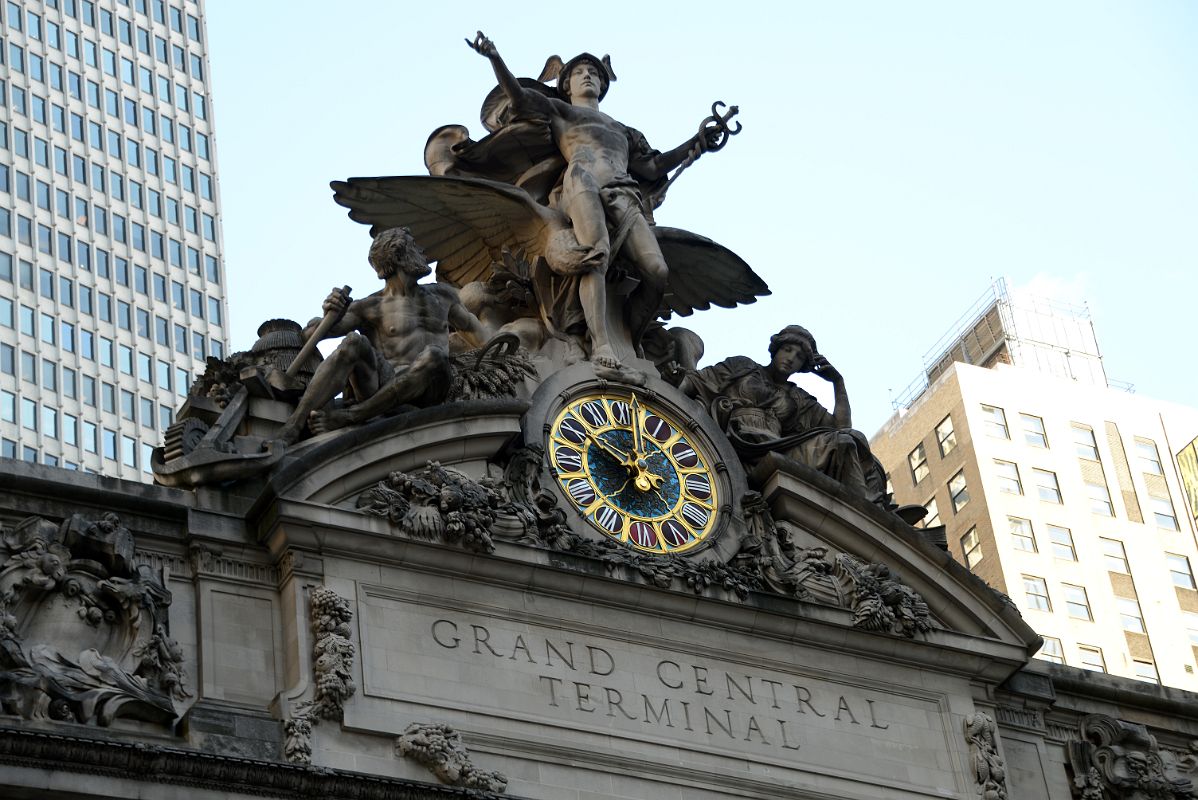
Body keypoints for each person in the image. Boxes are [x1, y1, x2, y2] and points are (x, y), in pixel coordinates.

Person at [466, 31, 715, 372]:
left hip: (623, 193)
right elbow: (521, 98)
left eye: (595, 73)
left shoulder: (623, 130)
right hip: (581, 183)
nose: (589, 76)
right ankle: (600, 342)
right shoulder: (562, 112)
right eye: (580, 72)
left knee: (657, 272)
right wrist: (495, 58)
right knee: (594, 255)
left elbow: (653, 165)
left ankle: (630, 338)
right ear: (566, 84)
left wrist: (696, 142)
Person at [273, 228, 486, 446]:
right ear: (399, 257)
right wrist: (332, 312)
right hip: (383, 386)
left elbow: (479, 334)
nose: (421, 250)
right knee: (353, 342)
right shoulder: (371, 306)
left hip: (431, 390)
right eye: (414, 245)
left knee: (434, 356)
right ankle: (293, 427)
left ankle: (351, 416)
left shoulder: (443, 295)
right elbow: (310, 335)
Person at [675, 325, 888, 503]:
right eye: (787, 349)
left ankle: (863, 512)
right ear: (776, 348)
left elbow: (842, 428)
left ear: (804, 365)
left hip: (778, 449)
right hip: (739, 440)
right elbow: (697, 381)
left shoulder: (798, 398)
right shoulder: (743, 366)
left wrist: (837, 383)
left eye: (799, 357)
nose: (791, 358)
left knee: (848, 441)